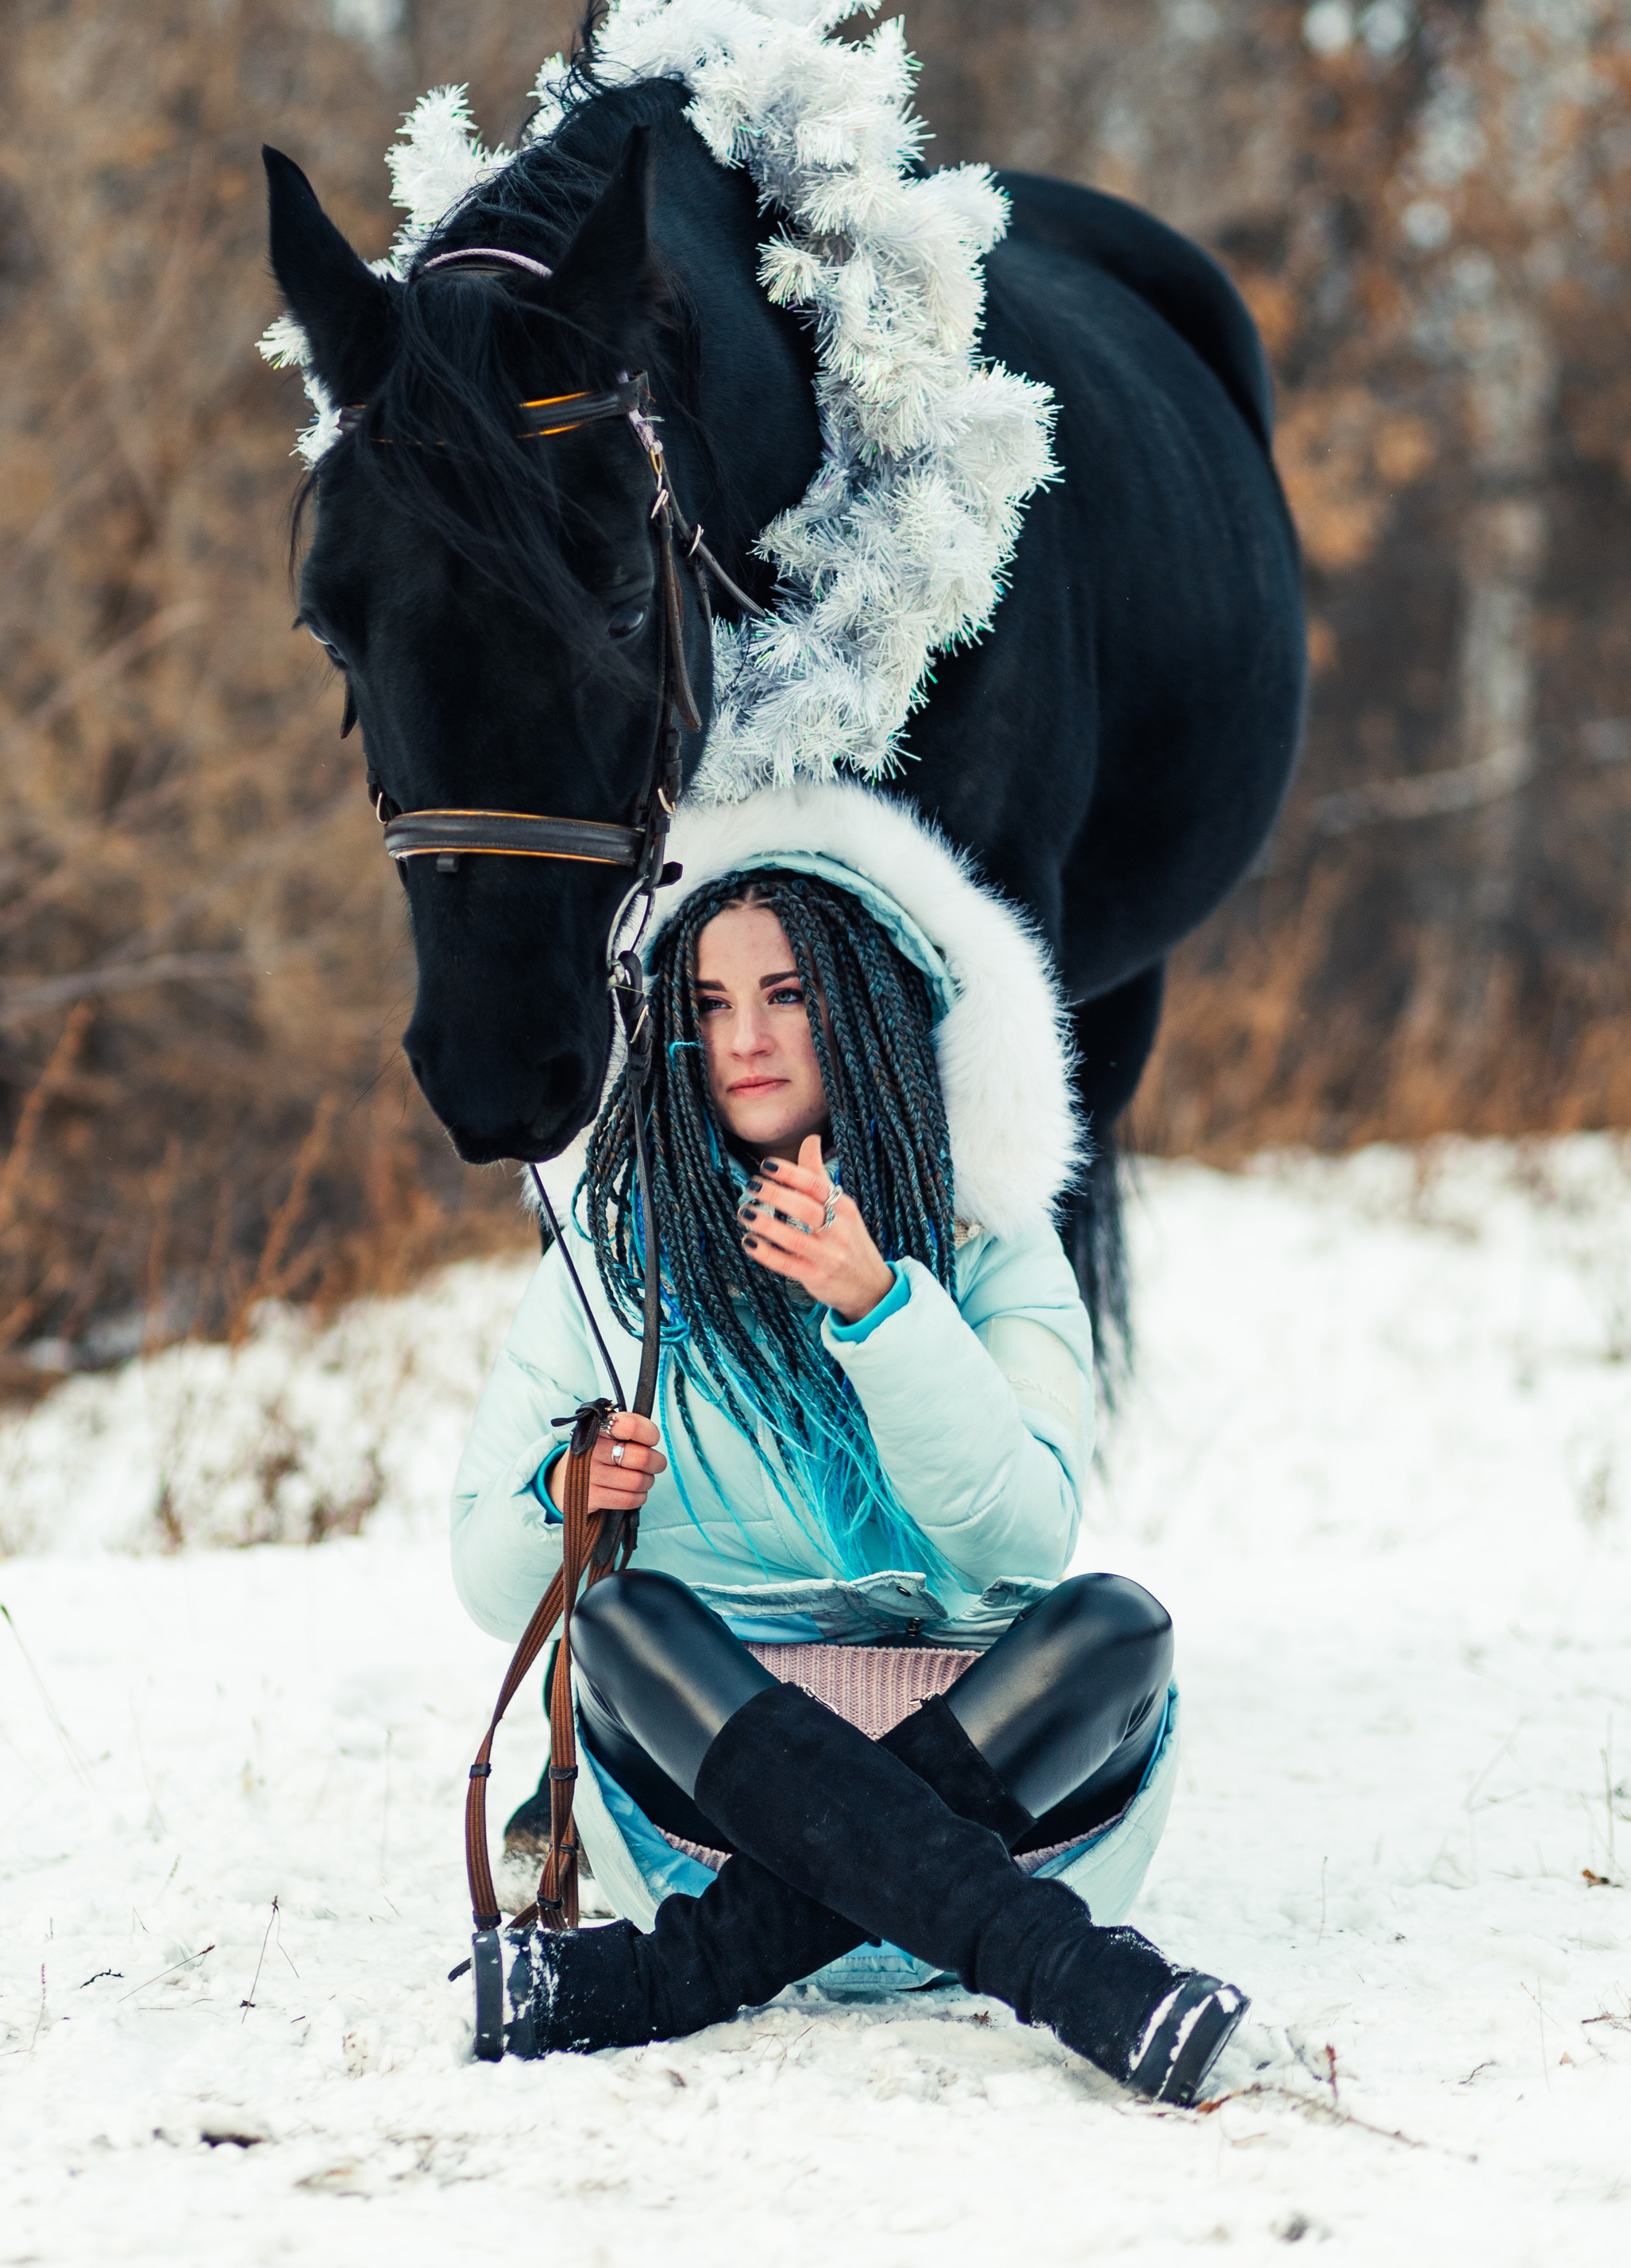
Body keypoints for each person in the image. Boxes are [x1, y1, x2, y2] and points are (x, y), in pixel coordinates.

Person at [449, 781, 1266, 2104]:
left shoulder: (991, 1237)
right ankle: (1080, 1979)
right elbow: (495, 1589)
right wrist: (565, 1492)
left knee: (1117, 1625)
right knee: (624, 1623)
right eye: (708, 1005)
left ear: (866, 1002)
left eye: (785, 994)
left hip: (992, 1763)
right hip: (716, 1782)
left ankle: (665, 1980)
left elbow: (1015, 1545)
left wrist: (883, 1309)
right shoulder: (611, 1255)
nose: (745, 1040)